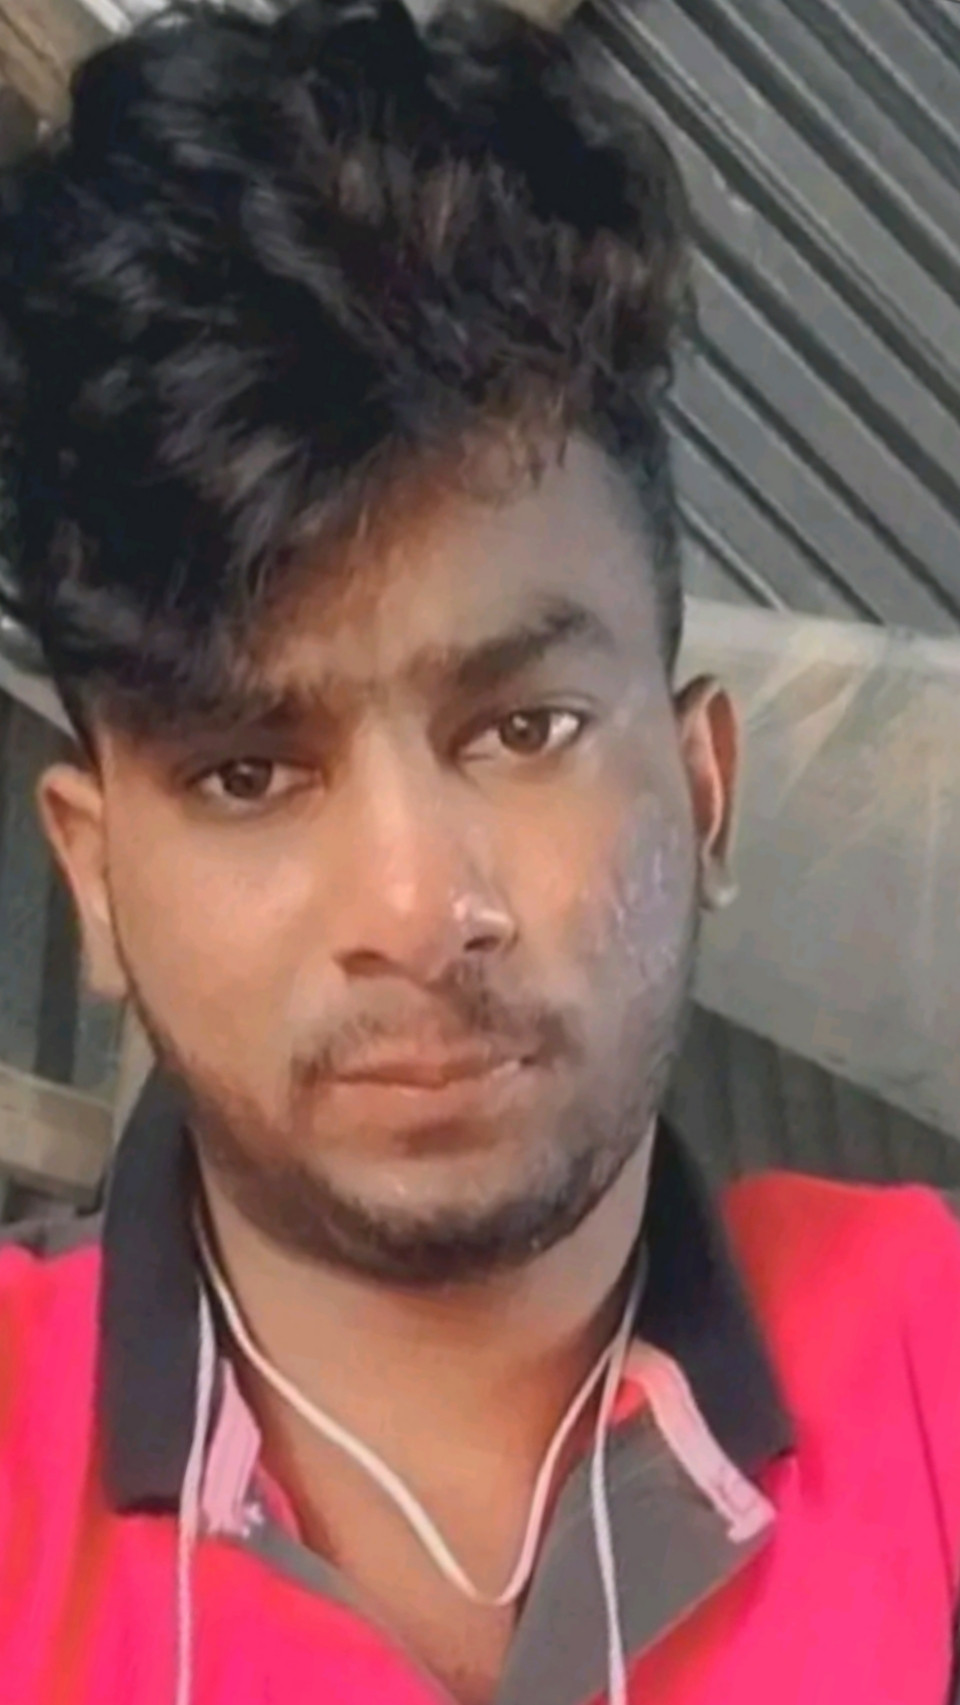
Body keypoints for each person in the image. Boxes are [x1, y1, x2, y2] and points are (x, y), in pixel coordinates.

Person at [0, 3, 959, 1702]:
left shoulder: (931, 1354)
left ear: (706, 786)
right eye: (246, 771)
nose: (418, 907)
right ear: (93, 874)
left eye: (524, 729)